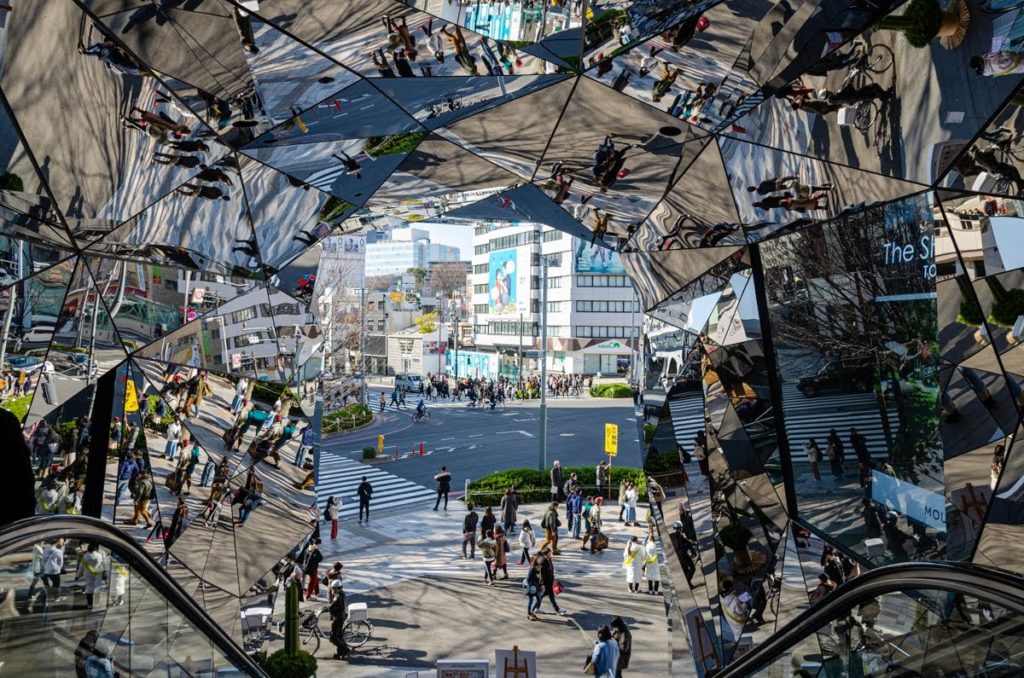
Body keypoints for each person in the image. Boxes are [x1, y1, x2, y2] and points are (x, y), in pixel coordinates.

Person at [535, 549, 567, 615]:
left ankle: (536, 609)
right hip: (546, 583)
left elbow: (551, 571)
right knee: (544, 597)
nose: (551, 553)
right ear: (546, 554)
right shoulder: (543, 561)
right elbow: (541, 573)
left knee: (549, 597)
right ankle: (535, 609)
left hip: (549, 582)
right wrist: (543, 584)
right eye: (550, 552)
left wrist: (553, 579)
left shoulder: (549, 559)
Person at [328, 579, 350, 659]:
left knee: (334, 637)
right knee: (339, 636)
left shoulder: (337, 596)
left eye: (333, 588)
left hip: (338, 618)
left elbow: (332, 605)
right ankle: (340, 653)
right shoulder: (342, 593)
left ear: (337, 588)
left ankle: (345, 649)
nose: (332, 590)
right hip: (342, 616)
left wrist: (328, 608)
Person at [79, 543, 105, 609]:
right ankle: (96, 604)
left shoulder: (85, 556)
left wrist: (78, 574)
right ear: (96, 549)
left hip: (88, 574)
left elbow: (81, 566)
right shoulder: (99, 555)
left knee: (89, 589)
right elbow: (102, 564)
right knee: (97, 588)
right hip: (97, 574)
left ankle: (89, 604)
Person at [525, 556, 543, 621]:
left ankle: (531, 612)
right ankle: (529, 613)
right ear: (536, 560)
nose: (540, 560)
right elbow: (529, 578)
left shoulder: (537, 567)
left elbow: (539, 576)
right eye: (539, 559)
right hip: (532, 587)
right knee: (531, 601)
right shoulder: (533, 568)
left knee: (538, 599)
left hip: (536, 586)